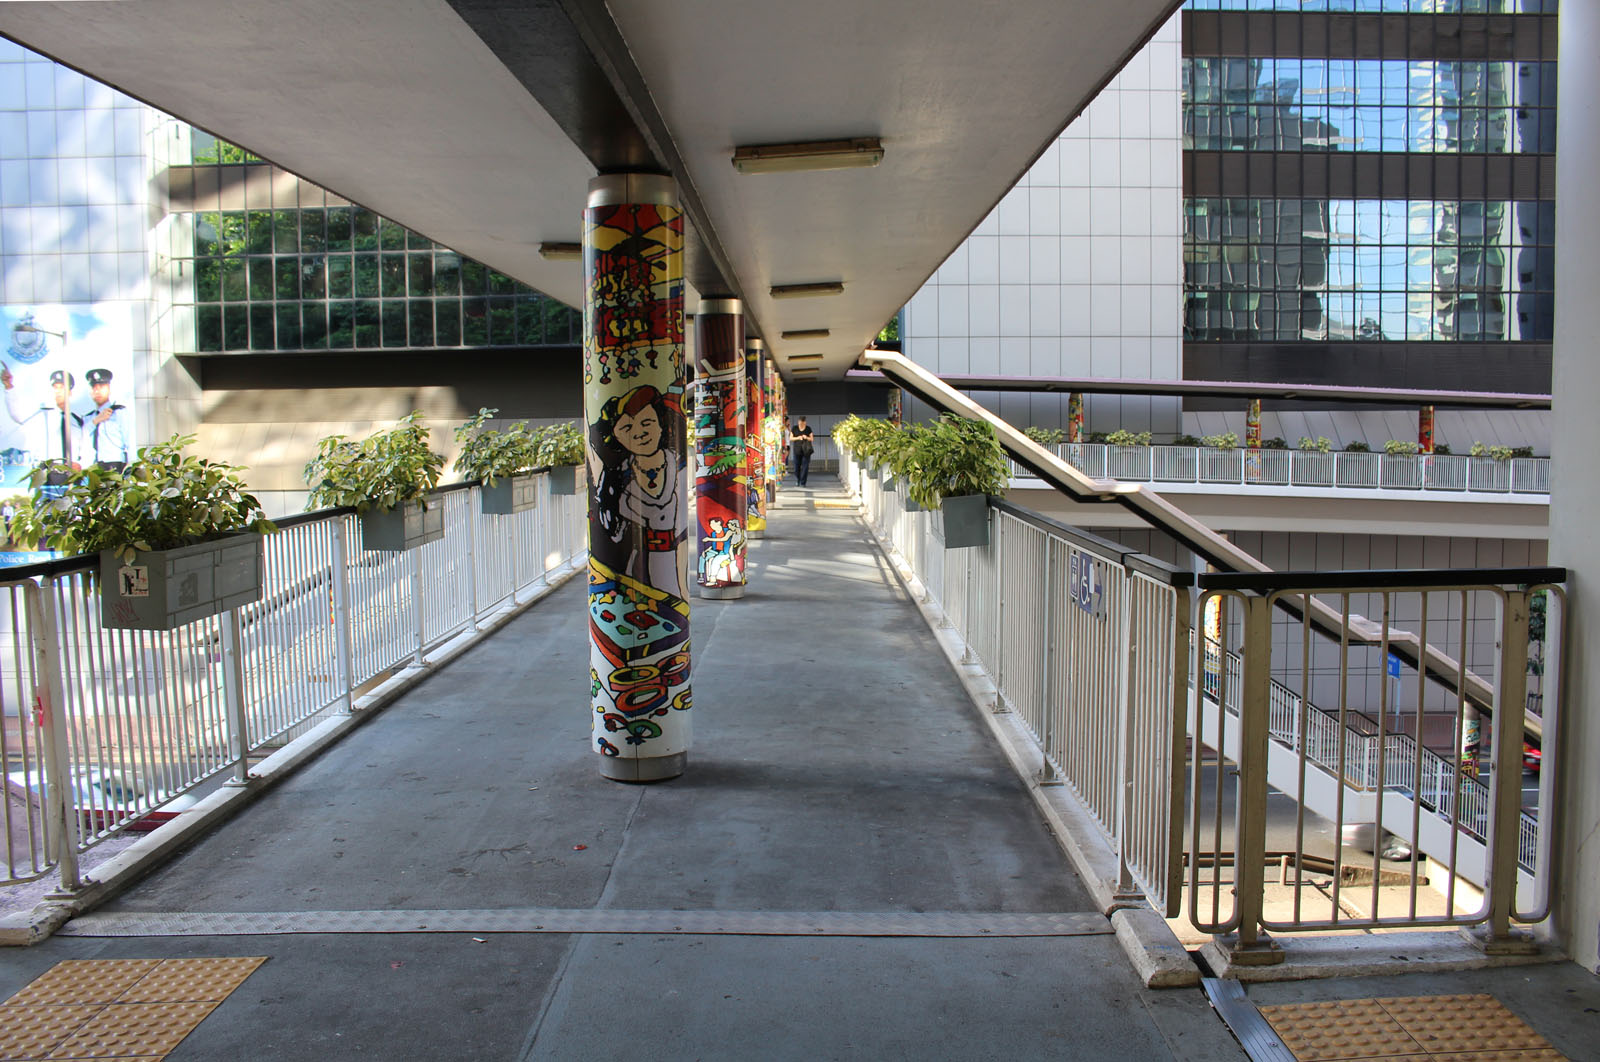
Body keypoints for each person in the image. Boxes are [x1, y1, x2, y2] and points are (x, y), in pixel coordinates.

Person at [591, 384, 686, 599]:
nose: (639, 433)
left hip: (673, 557)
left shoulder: (678, 465)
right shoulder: (617, 480)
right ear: (615, 436)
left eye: (647, 422)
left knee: (671, 602)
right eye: (626, 428)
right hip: (635, 563)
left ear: (662, 425)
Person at [3, 366, 82, 484]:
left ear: (70, 392)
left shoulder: (78, 421)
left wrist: (82, 464)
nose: (58, 391)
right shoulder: (43, 415)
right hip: (46, 472)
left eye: (62, 388)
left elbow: (87, 449)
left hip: (72, 473)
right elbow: (18, 414)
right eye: (56, 387)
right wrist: (9, 387)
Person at [81, 368, 129, 471]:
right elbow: (83, 439)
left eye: (102, 386)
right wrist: (96, 420)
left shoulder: (119, 413)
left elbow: (129, 442)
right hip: (93, 467)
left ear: (109, 388)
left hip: (115, 465)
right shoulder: (89, 418)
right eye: (94, 387)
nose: (97, 391)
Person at [789, 415, 814, 486]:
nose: (801, 424)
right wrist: (798, 438)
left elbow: (812, 439)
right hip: (797, 450)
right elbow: (791, 438)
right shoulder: (794, 428)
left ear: (805, 422)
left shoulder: (808, 429)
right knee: (796, 467)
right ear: (798, 422)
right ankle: (798, 479)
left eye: (803, 423)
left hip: (806, 451)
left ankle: (803, 482)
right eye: (800, 423)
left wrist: (806, 437)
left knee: (805, 467)